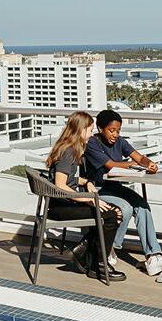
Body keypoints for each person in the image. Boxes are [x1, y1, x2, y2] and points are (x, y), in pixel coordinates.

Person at [84, 110, 162, 276]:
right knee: (126, 208)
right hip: (97, 189)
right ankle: (110, 246)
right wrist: (133, 164)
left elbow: (139, 157)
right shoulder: (92, 143)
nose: (115, 134)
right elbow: (111, 165)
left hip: (113, 188)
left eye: (118, 130)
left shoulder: (120, 142)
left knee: (142, 206)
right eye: (112, 130)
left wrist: (149, 163)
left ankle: (153, 256)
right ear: (100, 128)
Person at [43, 111, 126, 282]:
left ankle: (85, 253)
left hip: (64, 203)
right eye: (90, 130)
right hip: (61, 207)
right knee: (113, 214)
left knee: (110, 213)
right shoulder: (68, 151)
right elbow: (60, 185)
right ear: (80, 130)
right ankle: (100, 265)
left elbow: (69, 178)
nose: (92, 134)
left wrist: (86, 181)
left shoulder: (69, 148)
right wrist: (88, 199)